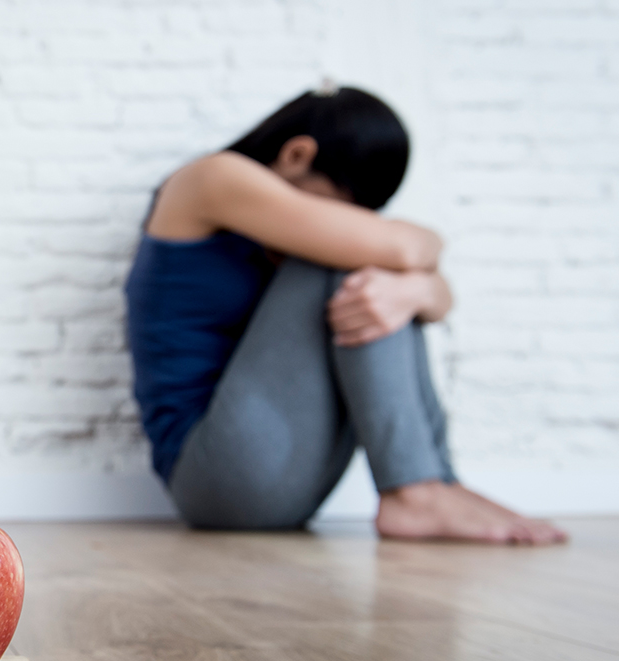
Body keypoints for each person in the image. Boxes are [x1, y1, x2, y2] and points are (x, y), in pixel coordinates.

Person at [125, 85, 566, 544]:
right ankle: (414, 492)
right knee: (363, 265)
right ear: (297, 154)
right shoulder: (210, 179)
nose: (342, 223)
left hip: (286, 474)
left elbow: (434, 289)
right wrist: (416, 270)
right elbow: (400, 247)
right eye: (341, 207)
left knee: (382, 282)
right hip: (213, 475)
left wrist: (414, 290)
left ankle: (435, 482)